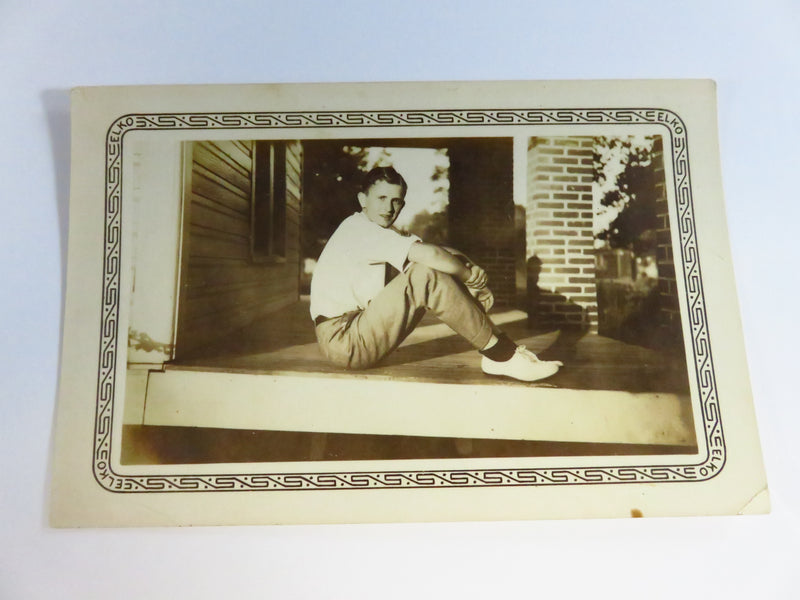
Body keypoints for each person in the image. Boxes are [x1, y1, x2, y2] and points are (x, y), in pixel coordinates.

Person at [309, 166, 562, 382]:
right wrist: (468, 276)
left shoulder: (378, 231)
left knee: (433, 266)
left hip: (357, 330)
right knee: (426, 272)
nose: (389, 207)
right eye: (381, 198)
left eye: (396, 200)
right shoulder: (360, 230)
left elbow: (437, 251)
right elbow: (430, 259)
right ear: (363, 199)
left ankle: (502, 351)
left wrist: (471, 268)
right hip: (345, 339)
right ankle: (501, 355)